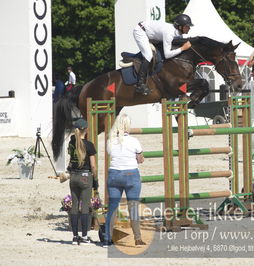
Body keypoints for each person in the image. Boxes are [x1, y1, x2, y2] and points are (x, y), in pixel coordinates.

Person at [104, 114, 145, 247]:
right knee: (133, 207)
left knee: (113, 207)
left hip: (114, 173)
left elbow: (112, 154)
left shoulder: (110, 141)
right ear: (128, 125)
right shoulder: (134, 141)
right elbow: (140, 159)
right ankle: (137, 238)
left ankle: (107, 238)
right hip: (131, 174)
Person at [133, 14, 193, 96]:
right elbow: (167, 55)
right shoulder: (169, 33)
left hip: (151, 33)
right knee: (148, 55)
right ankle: (139, 84)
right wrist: (182, 48)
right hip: (140, 31)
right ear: (180, 27)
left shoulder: (178, 33)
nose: (189, 28)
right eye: (187, 26)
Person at [67, 118, 98, 245]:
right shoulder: (89, 145)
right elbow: (93, 166)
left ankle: (75, 236)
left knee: (74, 206)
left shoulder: (71, 143)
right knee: (85, 207)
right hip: (85, 176)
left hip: (73, 176)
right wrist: (95, 181)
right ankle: (84, 237)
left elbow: (70, 160)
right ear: (85, 129)